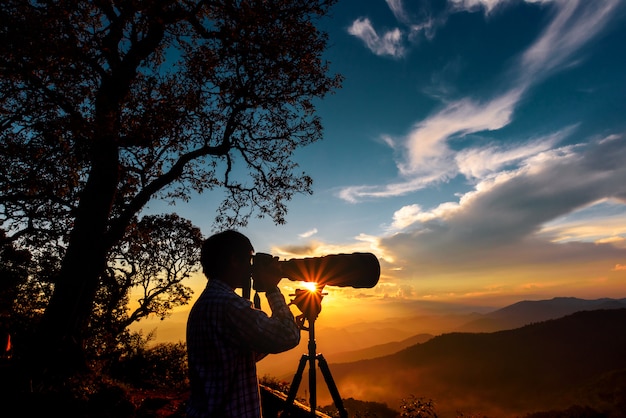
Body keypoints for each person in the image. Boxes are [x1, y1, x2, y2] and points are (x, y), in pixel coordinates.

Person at [186, 230, 301, 418]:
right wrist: (272, 288)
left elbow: (241, 353)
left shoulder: (206, 302)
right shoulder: (229, 305)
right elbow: (288, 336)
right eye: (249, 260)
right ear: (234, 260)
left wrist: (278, 326)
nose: (251, 269)